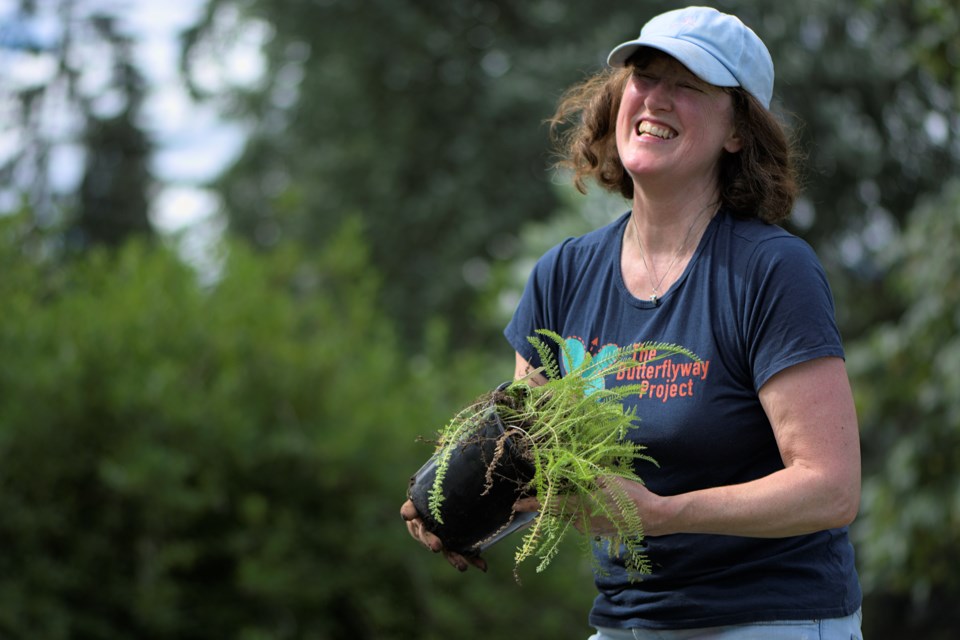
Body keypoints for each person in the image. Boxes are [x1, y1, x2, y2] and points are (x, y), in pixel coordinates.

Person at [401, 6, 863, 639]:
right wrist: (453, 503)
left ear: (737, 131)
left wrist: (662, 513)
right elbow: (533, 452)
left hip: (770, 615)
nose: (657, 98)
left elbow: (831, 488)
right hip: (629, 622)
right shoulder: (564, 274)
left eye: (689, 85)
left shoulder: (771, 271)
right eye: (644, 75)